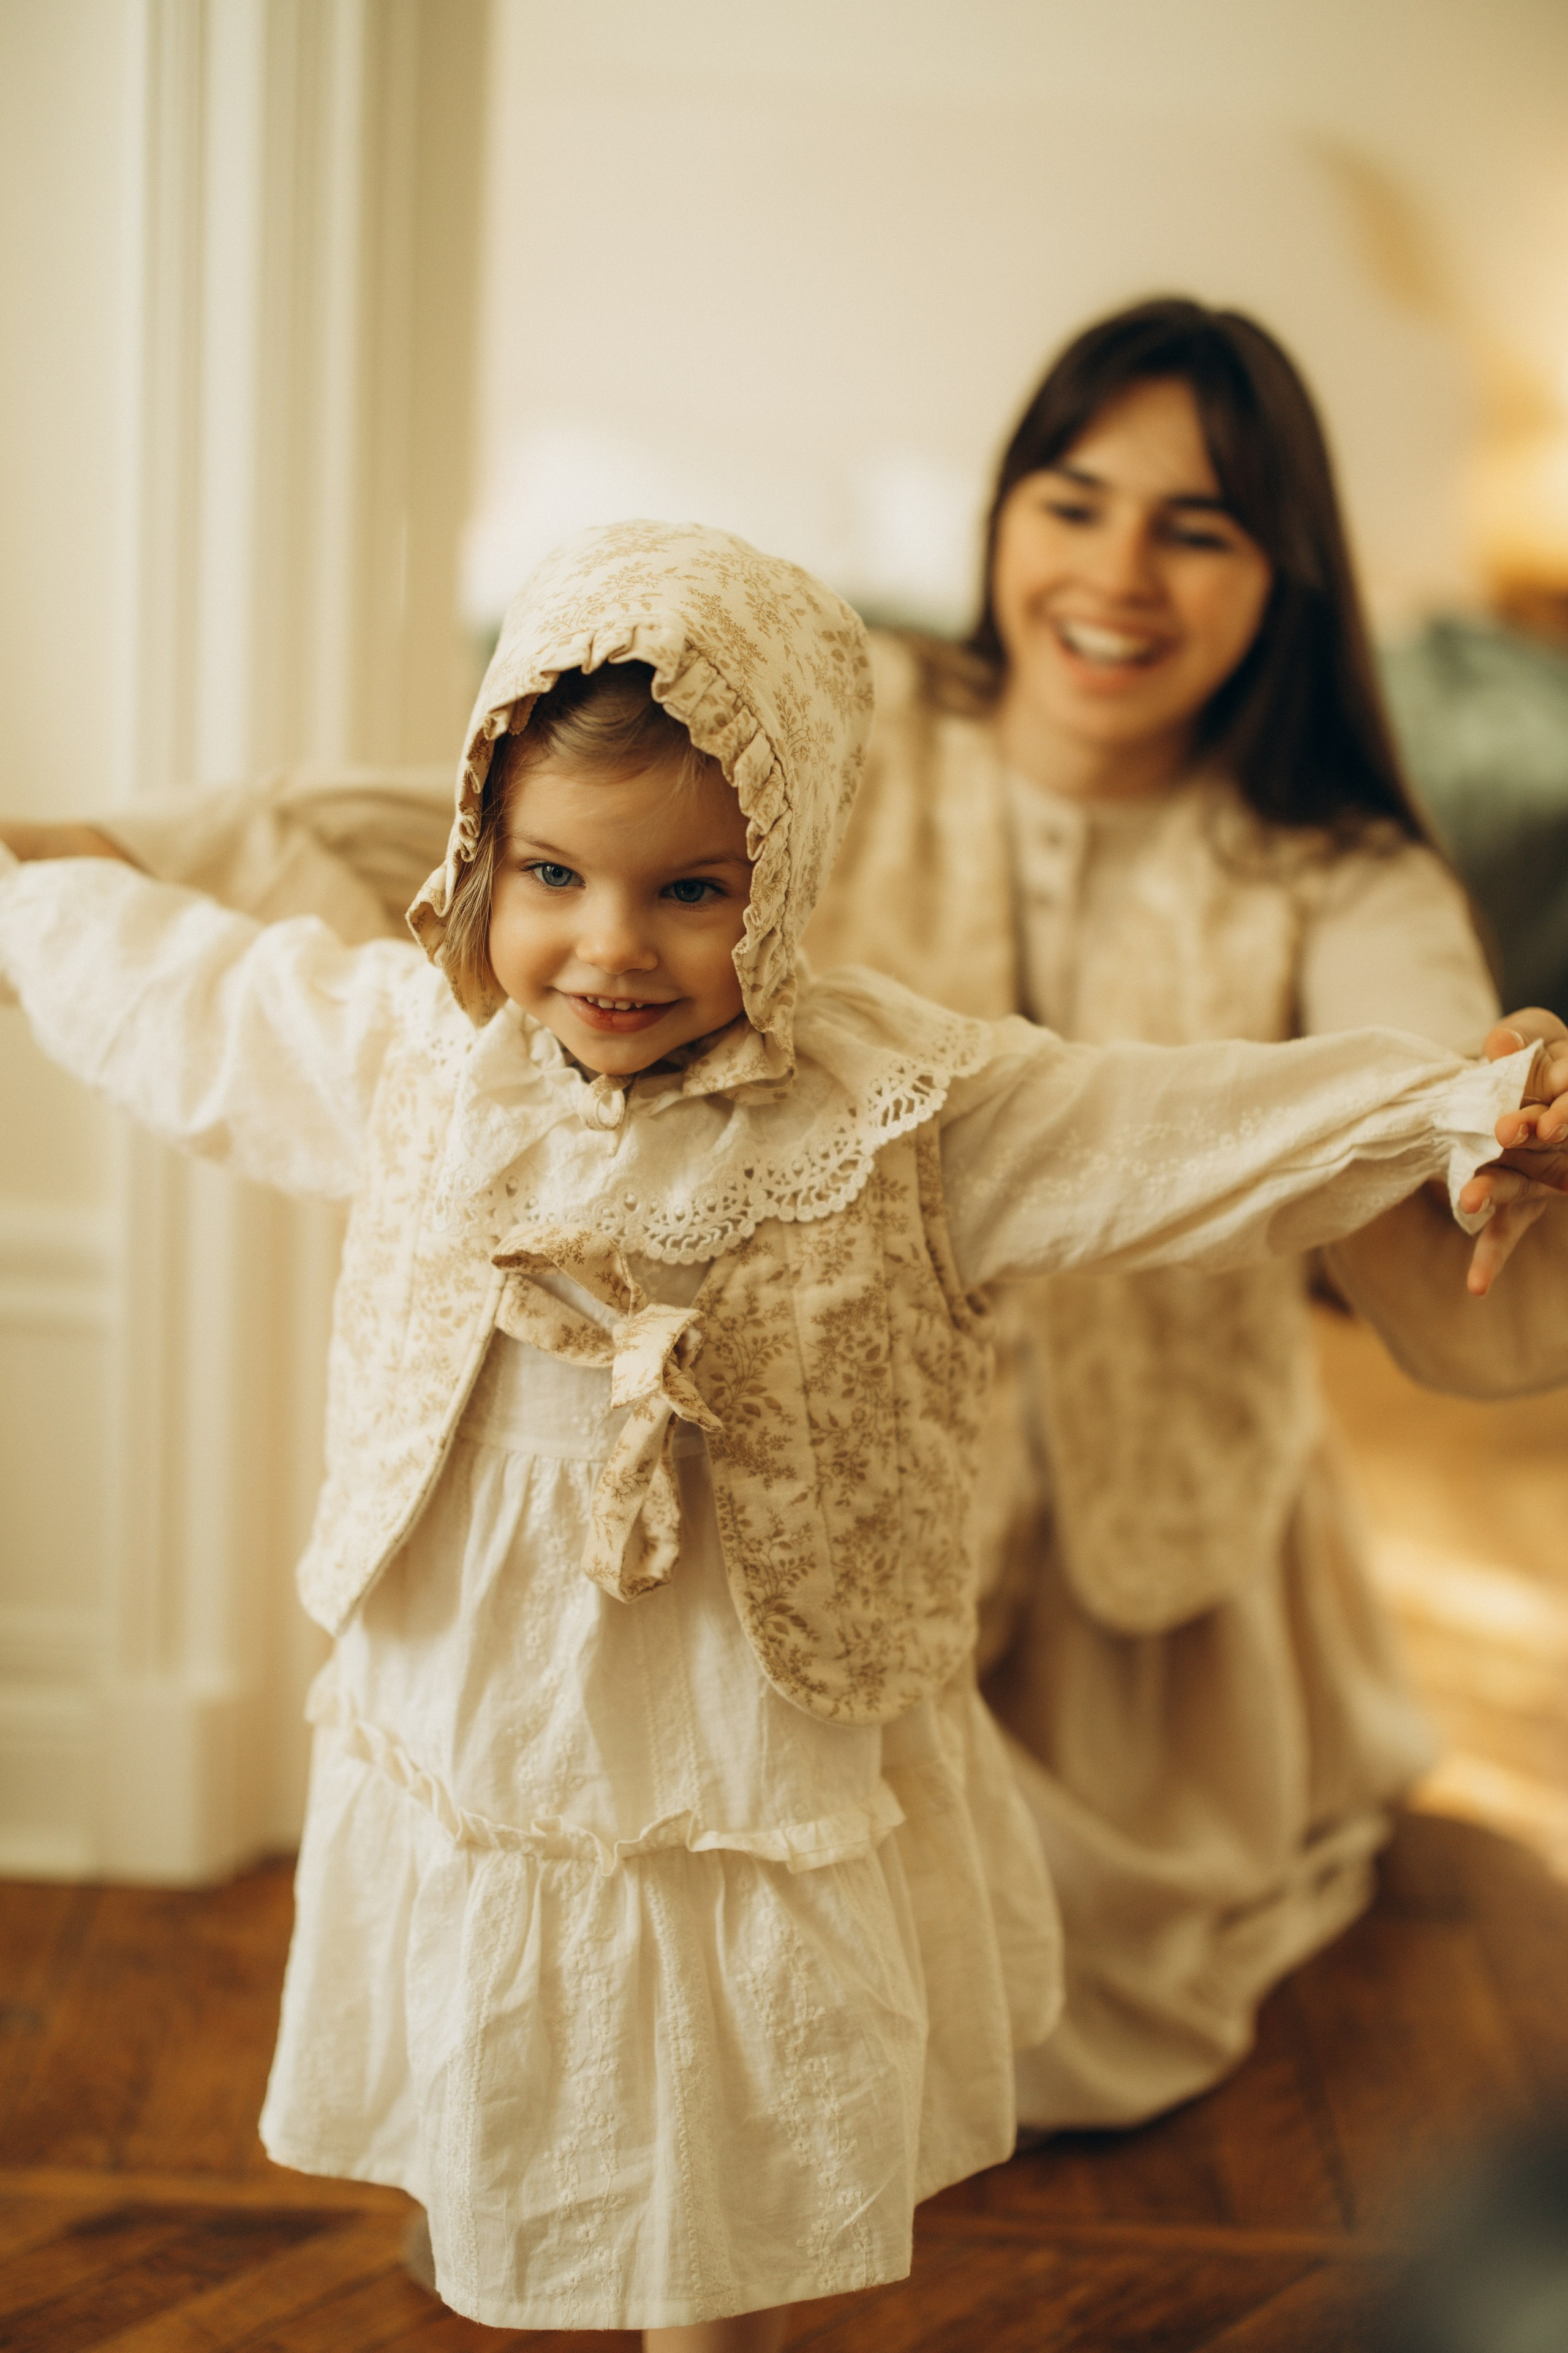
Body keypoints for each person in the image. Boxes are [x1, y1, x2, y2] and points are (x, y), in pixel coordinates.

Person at [12, 303, 1568, 2140]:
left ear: (1288, 572)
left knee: (938, 2005)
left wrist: (1479, 1111)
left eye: (1201, 528)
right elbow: (443, 838)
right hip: (767, 1466)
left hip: (1124, 1547)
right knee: (637, 1965)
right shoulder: (821, 702)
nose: (1119, 576)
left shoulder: (1337, 862)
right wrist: (79, 867)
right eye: (1075, 503)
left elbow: (1364, 1096)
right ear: (1001, 516)